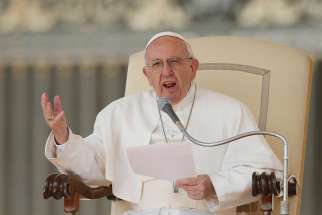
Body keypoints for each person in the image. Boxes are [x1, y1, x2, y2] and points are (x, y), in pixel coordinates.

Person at [42, 32, 282, 215]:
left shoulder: (230, 111)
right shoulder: (118, 113)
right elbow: (92, 170)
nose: (166, 71)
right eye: (157, 64)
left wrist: (214, 185)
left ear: (193, 68)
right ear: (147, 75)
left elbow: (269, 174)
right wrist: (63, 136)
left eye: (175, 62)